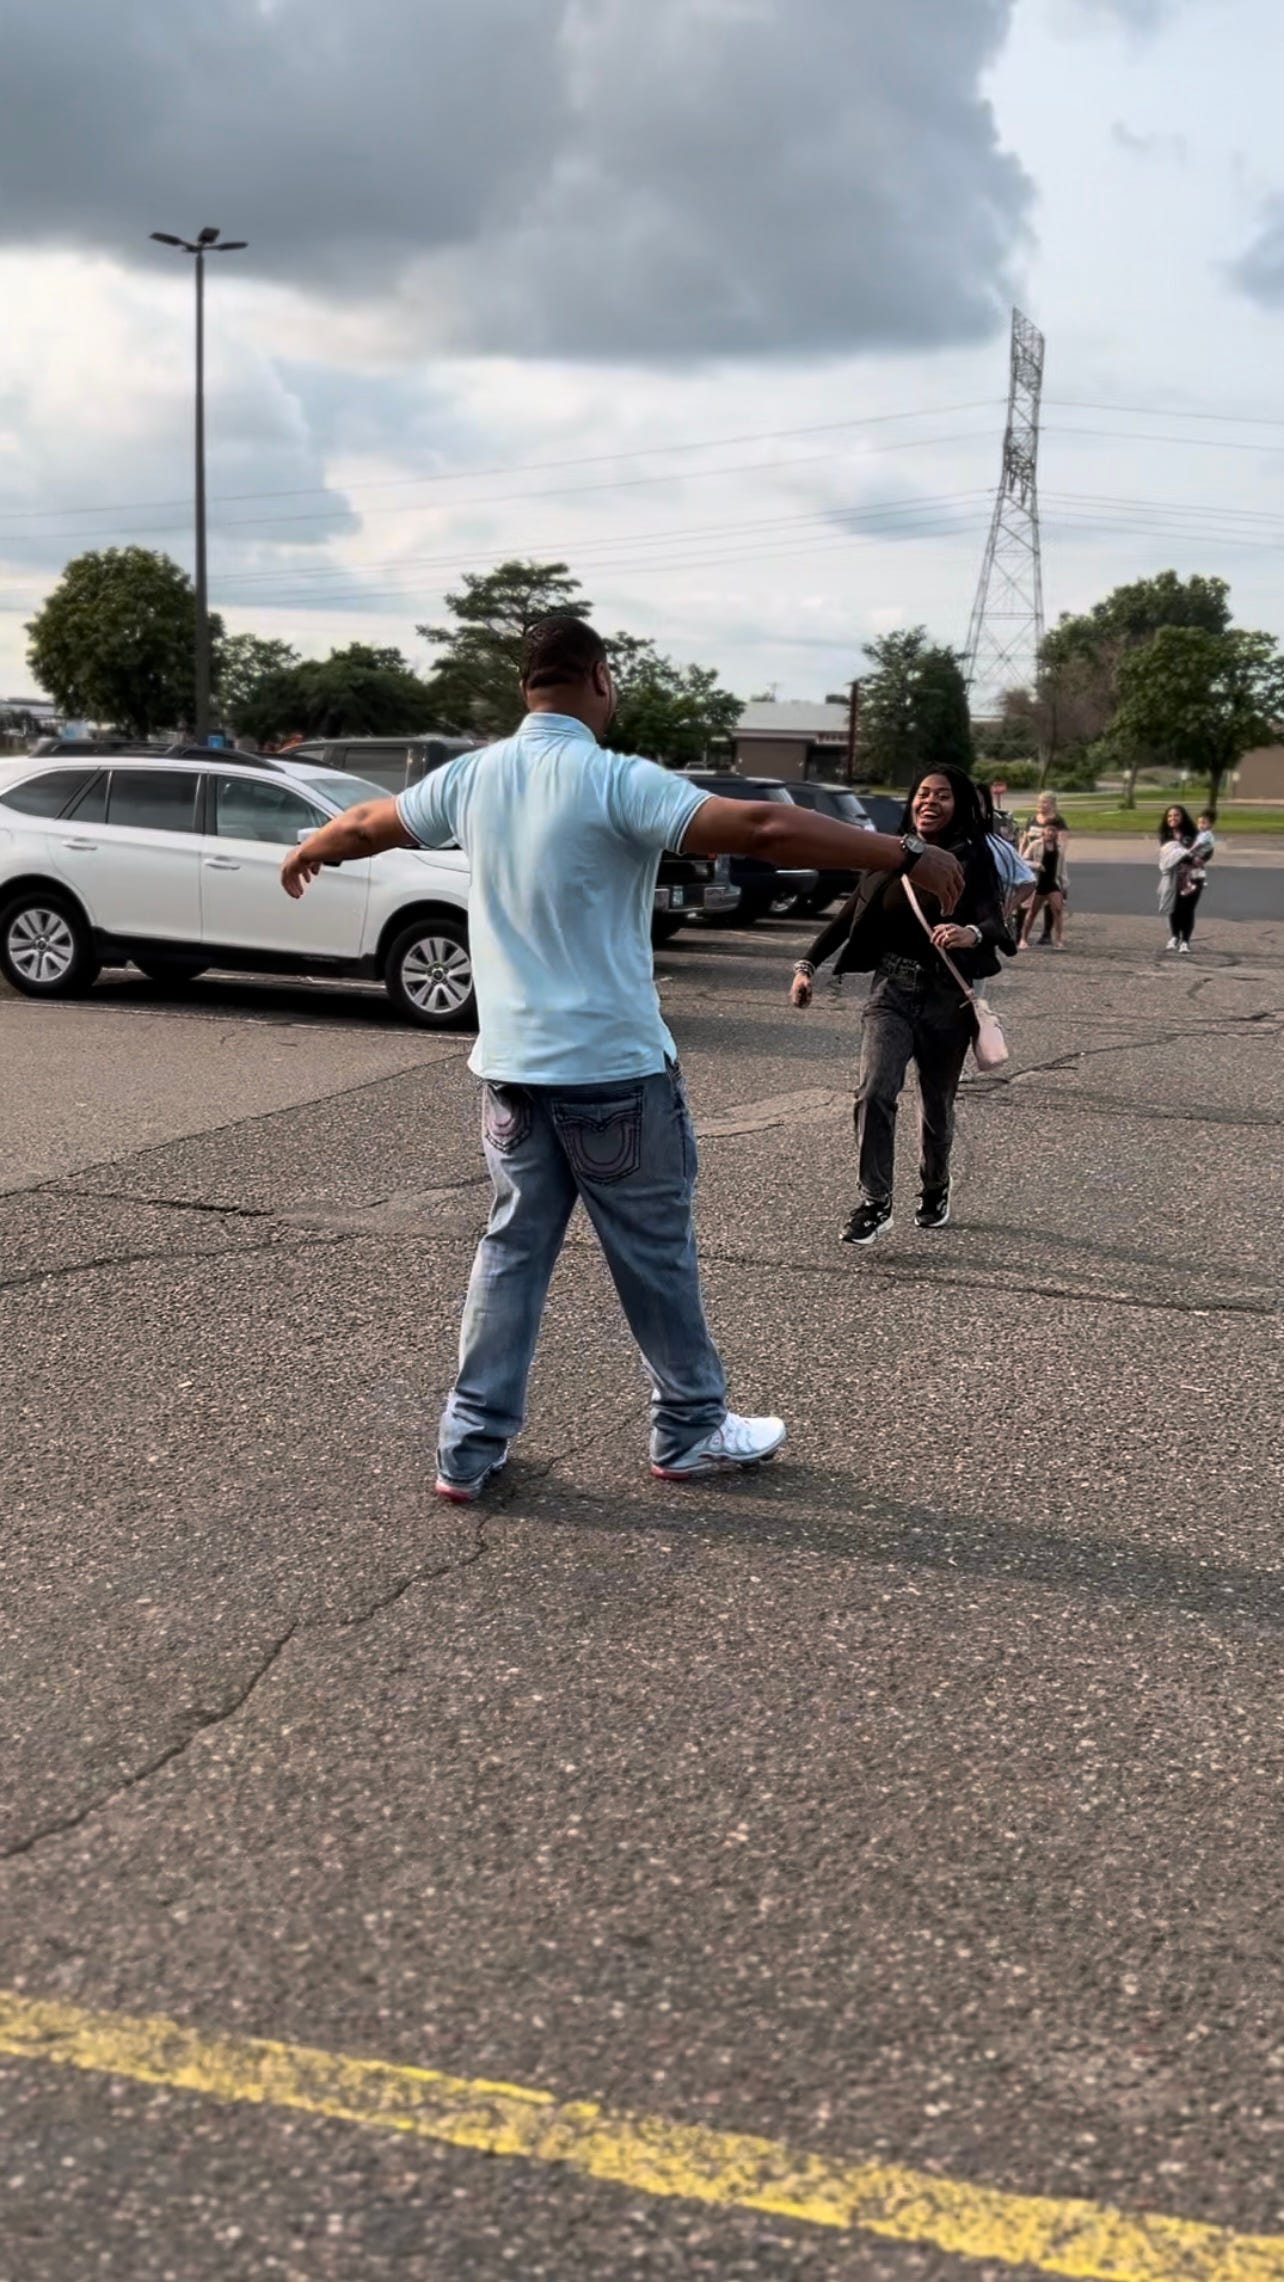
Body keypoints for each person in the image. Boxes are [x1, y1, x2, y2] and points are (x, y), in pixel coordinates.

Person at [280, 616, 963, 1496]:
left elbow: (370, 821)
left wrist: (312, 846)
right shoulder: (614, 780)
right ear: (601, 678)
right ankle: (689, 1428)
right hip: (613, 1074)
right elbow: (761, 827)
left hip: (511, 1074)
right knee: (653, 1255)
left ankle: (469, 1447)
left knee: (511, 1254)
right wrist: (904, 852)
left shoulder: (473, 778)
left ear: (526, 686)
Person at [790, 766, 1012, 1245]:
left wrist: (970, 933)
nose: (930, 802)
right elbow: (851, 912)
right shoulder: (891, 853)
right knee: (874, 1091)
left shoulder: (971, 859)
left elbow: (997, 923)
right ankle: (875, 1201)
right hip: (890, 991)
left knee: (936, 1104)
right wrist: (807, 965)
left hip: (946, 1000)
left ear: (960, 805)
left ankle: (935, 1185)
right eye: (923, 794)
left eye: (943, 796)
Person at [1017, 796, 1069, 948]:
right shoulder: (1036, 844)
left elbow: (1062, 868)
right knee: (1032, 912)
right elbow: (1024, 859)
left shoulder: (1059, 848)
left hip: (1053, 883)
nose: (1051, 833)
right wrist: (1036, 865)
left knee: (1058, 910)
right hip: (1038, 882)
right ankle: (1023, 938)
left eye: (1053, 830)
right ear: (1044, 831)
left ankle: (1058, 940)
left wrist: (1065, 886)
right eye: (1048, 830)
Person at [1158, 803, 1208, 953]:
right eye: (1169, 816)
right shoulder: (1165, 835)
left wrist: (1199, 858)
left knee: (1187, 909)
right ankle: (1174, 937)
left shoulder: (1194, 835)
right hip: (1174, 876)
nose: (1172, 818)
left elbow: (1205, 851)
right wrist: (1191, 858)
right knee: (1174, 907)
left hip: (1194, 877)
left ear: (1183, 817)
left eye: (1176, 815)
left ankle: (1185, 941)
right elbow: (1171, 855)